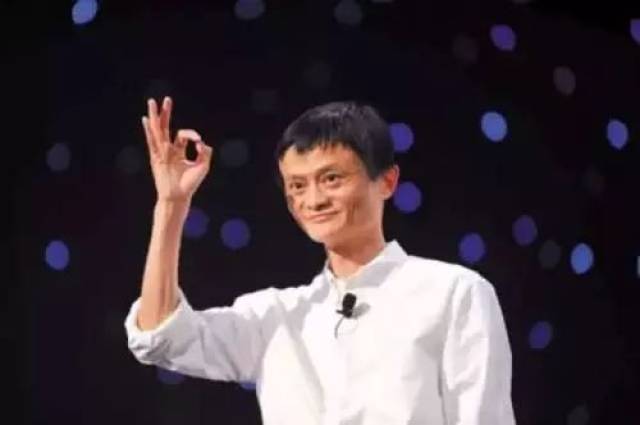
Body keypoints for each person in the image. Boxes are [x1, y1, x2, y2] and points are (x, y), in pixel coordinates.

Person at [124, 97, 517, 425]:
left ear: (386, 181)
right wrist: (171, 205)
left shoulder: (454, 293)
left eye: (331, 179)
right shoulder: (275, 315)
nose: (313, 201)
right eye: (297, 186)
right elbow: (161, 338)